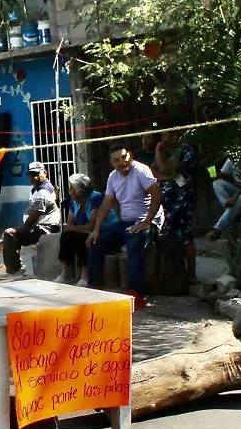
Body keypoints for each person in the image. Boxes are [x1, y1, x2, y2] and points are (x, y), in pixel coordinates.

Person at [86, 146, 163, 307]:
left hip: (147, 221)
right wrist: (96, 230)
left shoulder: (141, 170)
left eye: (124, 157)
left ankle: (136, 294)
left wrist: (147, 221)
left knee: (135, 243)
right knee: (96, 242)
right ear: (111, 163)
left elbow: (156, 194)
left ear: (130, 155)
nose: (122, 162)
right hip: (126, 223)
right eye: (116, 160)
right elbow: (106, 204)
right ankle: (94, 290)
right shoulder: (113, 177)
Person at [53, 173, 118, 286]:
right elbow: (69, 225)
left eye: (72, 189)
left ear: (80, 191)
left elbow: (92, 225)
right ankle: (65, 273)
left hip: (106, 232)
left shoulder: (96, 198)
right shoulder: (74, 202)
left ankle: (85, 276)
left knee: (83, 238)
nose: (69, 191)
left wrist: (83, 230)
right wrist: (83, 229)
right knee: (66, 235)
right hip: (87, 231)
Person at [153, 129, 198, 280]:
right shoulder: (166, 152)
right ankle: (175, 272)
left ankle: (191, 273)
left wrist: (158, 152)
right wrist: (165, 178)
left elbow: (165, 168)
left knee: (185, 236)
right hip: (167, 200)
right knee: (168, 235)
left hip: (182, 200)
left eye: (165, 134)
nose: (162, 138)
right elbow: (154, 171)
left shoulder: (185, 150)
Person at [2, 161, 61, 276]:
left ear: (44, 172)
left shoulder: (44, 189)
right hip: (39, 226)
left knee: (10, 234)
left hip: (45, 228)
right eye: (30, 175)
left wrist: (23, 227)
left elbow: (36, 213)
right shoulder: (37, 188)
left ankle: (15, 270)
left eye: (36, 174)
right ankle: (16, 268)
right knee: (14, 235)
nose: (33, 177)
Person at [208, 158, 241, 241]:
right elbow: (222, 174)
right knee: (216, 183)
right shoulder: (232, 158)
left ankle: (218, 229)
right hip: (236, 189)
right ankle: (229, 210)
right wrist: (212, 171)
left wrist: (234, 197)